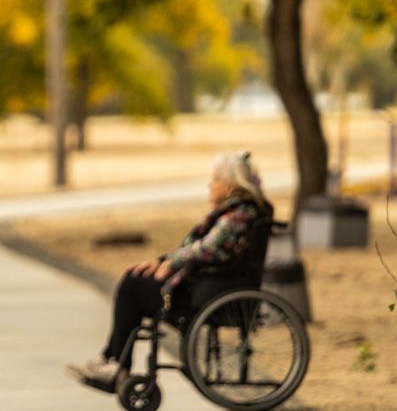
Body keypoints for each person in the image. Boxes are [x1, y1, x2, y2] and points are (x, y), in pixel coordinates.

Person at [68, 151, 273, 385]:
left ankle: (114, 363)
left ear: (230, 186)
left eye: (215, 179)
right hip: (206, 283)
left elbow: (207, 248)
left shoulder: (240, 213)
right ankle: (113, 361)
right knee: (134, 279)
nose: (210, 184)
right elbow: (202, 248)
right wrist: (160, 261)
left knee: (132, 286)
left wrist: (171, 263)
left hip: (208, 289)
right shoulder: (237, 211)